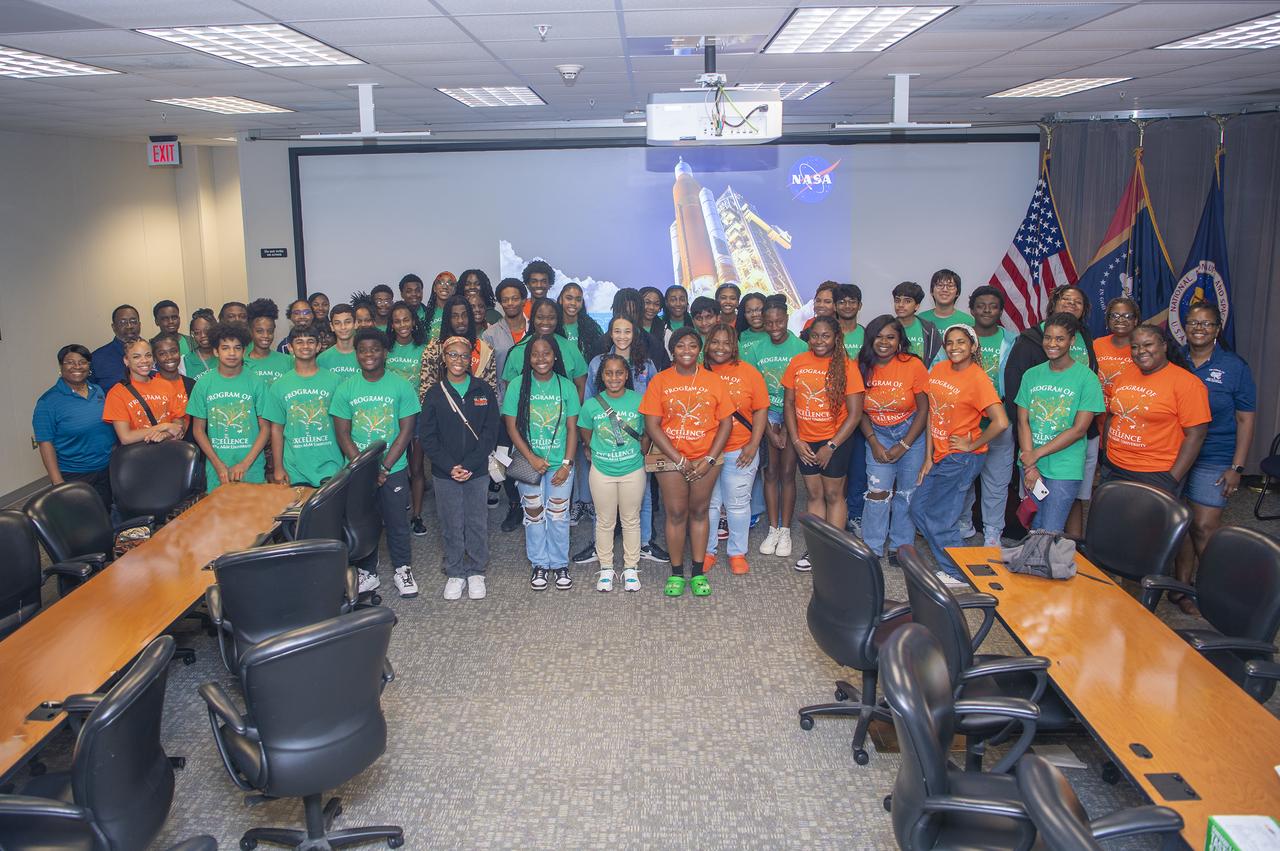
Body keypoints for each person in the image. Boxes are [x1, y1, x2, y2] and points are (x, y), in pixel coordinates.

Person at [909, 324, 1009, 587]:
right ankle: (954, 561)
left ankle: (959, 573)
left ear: (973, 346)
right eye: (950, 342)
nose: (954, 347)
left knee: (940, 517)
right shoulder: (940, 369)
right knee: (918, 508)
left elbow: (1000, 421)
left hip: (961, 458)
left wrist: (973, 444)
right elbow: (933, 413)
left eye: (961, 342)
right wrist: (928, 456)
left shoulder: (977, 378)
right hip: (940, 454)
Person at [1173, 302, 1256, 614]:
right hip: (1177, 451)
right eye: (1194, 323)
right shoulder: (1174, 359)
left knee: (1204, 526)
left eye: (1207, 324)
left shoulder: (1235, 367)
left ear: (1217, 329)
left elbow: (1246, 420)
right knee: (1180, 521)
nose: (1199, 329)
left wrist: (1237, 467)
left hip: (1215, 454)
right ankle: (1181, 588)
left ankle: (1213, 590)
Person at [641, 327, 733, 597]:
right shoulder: (660, 380)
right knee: (676, 513)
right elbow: (652, 424)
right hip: (670, 457)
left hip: (706, 457)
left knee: (700, 512)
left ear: (700, 349)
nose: (687, 351)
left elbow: (726, 423)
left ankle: (699, 572)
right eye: (681, 346)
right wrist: (679, 458)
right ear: (672, 350)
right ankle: (677, 573)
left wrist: (709, 458)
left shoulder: (713, 380)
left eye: (692, 345)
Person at [331, 328, 421, 598]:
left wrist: (383, 467)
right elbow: (342, 433)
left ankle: (403, 569)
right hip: (359, 472)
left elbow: (406, 430)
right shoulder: (346, 389)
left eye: (375, 349)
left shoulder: (400, 385)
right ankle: (367, 572)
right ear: (356, 354)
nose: (369, 354)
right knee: (362, 521)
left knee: (396, 521)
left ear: (385, 353)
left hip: (393, 468)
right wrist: (363, 467)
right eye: (363, 350)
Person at [1003, 284, 1098, 537]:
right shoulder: (1032, 375)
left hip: (1064, 465)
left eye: (1059, 339)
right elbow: (1023, 421)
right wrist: (1030, 463)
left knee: (1051, 530)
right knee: (1034, 527)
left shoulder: (1086, 378)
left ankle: (1049, 571)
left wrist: (1036, 454)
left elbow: (1079, 430)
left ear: (1072, 341)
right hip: (1032, 463)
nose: (1052, 344)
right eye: (1048, 337)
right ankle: (1036, 571)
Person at [576, 315, 664, 566]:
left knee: (643, 495)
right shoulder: (596, 363)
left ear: (634, 334)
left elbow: (656, 397)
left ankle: (644, 543)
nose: (622, 336)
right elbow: (590, 405)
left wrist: (648, 443)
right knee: (602, 504)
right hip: (605, 442)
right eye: (617, 331)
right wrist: (590, 444)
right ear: (610, 333)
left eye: (627, 331)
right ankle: (599, 546)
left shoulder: (645, 363)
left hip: (639, 441)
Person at [420, 335, 500, 601]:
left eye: (464, 356)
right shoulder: (434, 394)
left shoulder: (482, 390)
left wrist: (469, 464)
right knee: (451, 522)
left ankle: (477, 570)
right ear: (444, 359)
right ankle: (455, 571)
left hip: (476, 471)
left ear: (471, 360)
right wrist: (450, 466)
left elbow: (490, 431)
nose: (458, 360)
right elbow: (428, 437)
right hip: (445, 473)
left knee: (477, 521)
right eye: (452, 355)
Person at [783, 315, 866, 571]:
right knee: (815, 494)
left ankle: (835, 549)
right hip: (805, 440)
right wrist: (796, 441)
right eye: (815, 336)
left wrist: (831, 446)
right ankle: (816, 549)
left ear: (836, 338)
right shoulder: (797, 362)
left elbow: (855, 414)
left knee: (833, 494)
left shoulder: (847, 366)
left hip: (835, 441)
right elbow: (789, 403)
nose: (819, 341)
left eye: (825, 336)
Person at [502, 334, 581, 591]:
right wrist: (532, 458)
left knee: (558, 514)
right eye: (535, 354)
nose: (541, 359)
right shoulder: (517, 385)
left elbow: (572, 429)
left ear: (555, 356)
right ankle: (539, 563)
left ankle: (559, 564)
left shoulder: (566, 386)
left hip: (560, 463)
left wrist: (567, 464)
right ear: (528, 358)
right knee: (533, 513)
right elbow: (512, 427)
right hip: (528, 462)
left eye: (546, 353)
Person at [1101, 323, 1210, 496]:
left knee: (1147, 523)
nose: (1140, 351)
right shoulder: (1125, 374)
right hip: (1114, 467)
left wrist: (1172, 480)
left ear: (1164, 346)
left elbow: (1196, 435)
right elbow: (1112, 416)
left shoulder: (1187, 383)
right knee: (1112, 521)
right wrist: (1106, 455)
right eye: (1135, 347)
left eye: (1148, 344)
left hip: (1155, 473)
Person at [857, 315, 929, 561]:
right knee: (877, 492)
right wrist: (874, 442)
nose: (884, 342)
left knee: (907, 493)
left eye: (891, 337)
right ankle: (873, 546)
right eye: (878, 336)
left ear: (899, 340)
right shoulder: (861, 365)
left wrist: (905, 444)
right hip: (877, 433)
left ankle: (901, 547)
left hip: (911, 434)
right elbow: (858, 411)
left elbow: (923, 409)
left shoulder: (913, 365)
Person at [578, 353, 649, 592]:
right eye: (608, 373)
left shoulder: (639, 400)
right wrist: (594, 452)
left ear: (627, 375)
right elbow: (586, 434)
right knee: (605, 521)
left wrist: (641, 452)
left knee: (631, 520)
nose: (614, 377)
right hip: (602, 472)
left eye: (619, 373)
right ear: (601, 376)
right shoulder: (591, 405)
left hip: (632, 470)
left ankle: (630, 567)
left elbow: (647, 432)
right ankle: (606, 567)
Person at [702, 325, 768, 575]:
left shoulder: (749, 373)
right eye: (715, 342)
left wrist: (753, 444)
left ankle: (737, 551)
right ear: (707, 344)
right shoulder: (697, 372)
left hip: (740, 450)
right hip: (705, 453)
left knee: (738, 505)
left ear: (734, 346)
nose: (720, 347)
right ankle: (707, 551)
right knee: (709, 505)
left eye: (726, 343)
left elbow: (761, 409)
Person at [745, 297, 807, 559]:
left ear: (786, 318)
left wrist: (787, 427)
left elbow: (804, 389)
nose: (774, 326)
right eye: (769, 322)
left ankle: (785, 529)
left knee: (787, 472)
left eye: (779, 321)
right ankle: (772, 528)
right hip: (766, 414)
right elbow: (752, 389)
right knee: (770, 472)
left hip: (794, 414)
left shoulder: (801, 347)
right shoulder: (756, 348)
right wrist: (769, 428)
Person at [956, 286, 1017, 546]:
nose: (987, 310)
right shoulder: (960, 338)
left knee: (996, 483)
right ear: (972, 309)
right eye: (981, 305)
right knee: (964, 480)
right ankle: (964, 525)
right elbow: (940, 369)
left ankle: (992, 534)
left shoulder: (1013, 341)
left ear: (1001, 311)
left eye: (993, 305)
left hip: (999, 421)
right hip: (966, 422)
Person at [187, 322, 270, 492]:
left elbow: (265, 428)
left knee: (254, 517)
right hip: (218, 471)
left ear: (244, 351)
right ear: (216, 351)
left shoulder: (256, 382)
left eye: (237, 348)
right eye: (225, 348)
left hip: (251, 469)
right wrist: (218, 465)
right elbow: (198, 430)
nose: (232, 353)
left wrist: (245, 464)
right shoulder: (203, 384)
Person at [33, 344, 117, 509]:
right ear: (61, 367)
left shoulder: (98, 390)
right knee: (83, 521)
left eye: (82, 362)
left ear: (89, 366)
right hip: (75, 474)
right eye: (70, 362)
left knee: (106, 513)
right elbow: (45, 443)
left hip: (106, 467)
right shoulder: (48, 402)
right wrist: (58, 483)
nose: (77, 366)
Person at [261, 325, 344, 488]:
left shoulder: (336, 381)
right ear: (290, 348)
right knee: (297, 514)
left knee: (330, 513)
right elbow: (276, 429)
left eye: (310, 341)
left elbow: (344, 426)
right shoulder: (279, 386)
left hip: (331, 466)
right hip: (294, 469)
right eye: (299, 342)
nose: (305, 346)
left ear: (318, 346)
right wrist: (278, 468)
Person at [484, 279, 531, 532]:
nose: (510, 303)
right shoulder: (490, 334)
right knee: (505, 457)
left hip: (535, 408)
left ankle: (534, 503)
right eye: (506, 299)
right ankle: (515, 505)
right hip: (502, 408)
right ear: (501, 303)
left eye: (515, 298)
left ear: (524, 299)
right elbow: (487, 374)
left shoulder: (536, 330)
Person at [385, 300, 430, 534]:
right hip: (390, 416)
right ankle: (395, 507)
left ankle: (417, 515)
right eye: (397, 321)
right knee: (393, 465)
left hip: (418, 414)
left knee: (416, 467)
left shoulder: (425, 347)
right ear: (391, 325)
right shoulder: (385, 349)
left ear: (414, 322)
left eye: (406, 320)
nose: (402, 325)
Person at [102, 339, 186, 444]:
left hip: (169, 450)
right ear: (126, 361)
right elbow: (126, 437)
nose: (144, 360)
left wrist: (165, 434)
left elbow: (178, 424)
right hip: (138, 456)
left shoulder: (166, 385)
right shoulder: (116, 393)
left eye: (148, 355)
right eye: (137, 357)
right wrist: (163, 427)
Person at [501, 298, 588, 398]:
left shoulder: (570, 348)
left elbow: (581, 386)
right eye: (540, 317)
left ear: (557, 320)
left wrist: (573, 411)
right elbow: (511, 394)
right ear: (533, 318)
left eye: (551, 318)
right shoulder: (517, 351)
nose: (545, 322)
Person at [91, 304, 142, 392]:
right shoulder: (97, 358)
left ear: (140, 325)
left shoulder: (155, 352)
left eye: (133, 321)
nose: (129, 326)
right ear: (113, 327)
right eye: (123, 322)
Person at [1093, 296, 1138, 395]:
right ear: (1108, 320)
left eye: (1127, 316)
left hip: (1128, 406)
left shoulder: (1142, 347)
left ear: (1135, 321)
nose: (1120, 319)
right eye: (1115, 315)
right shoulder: (1096, 344)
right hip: (1096, 406)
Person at [244, 299, 294, 385]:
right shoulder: (243, 363)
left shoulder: (288, 361)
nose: (266, 336)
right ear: (250, 331)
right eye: (259, 331)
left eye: (270, 331)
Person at [891, 282, 942, 365]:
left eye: (907, 301)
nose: (900, 305)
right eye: (897, 300)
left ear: (917, 306)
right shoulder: (887, 328)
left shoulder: (929, 329)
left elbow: (938, 360)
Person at [559, 282, 604, 361]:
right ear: (560, 300)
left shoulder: (592, 328)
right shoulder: (552, 326)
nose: (573, 303)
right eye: (569, 298)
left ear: (582, 303)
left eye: (578, 299)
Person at [316, 303, 360, 379]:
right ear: (332, 326)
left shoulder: (366, 356)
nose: (343, 327)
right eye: (337, 323)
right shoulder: (322, 359)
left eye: (347, 322)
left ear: (355, 324)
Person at [183, 308, 217, 378]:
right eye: (197, 333)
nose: (203, 336)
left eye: (207, 331)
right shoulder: (185, 361)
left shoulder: (225, 355)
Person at [736, 292, 769, 359]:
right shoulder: (737, 338)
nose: (754, 314)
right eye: (749, 311)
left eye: (759, 310)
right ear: (744, 315)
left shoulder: (778, 334)